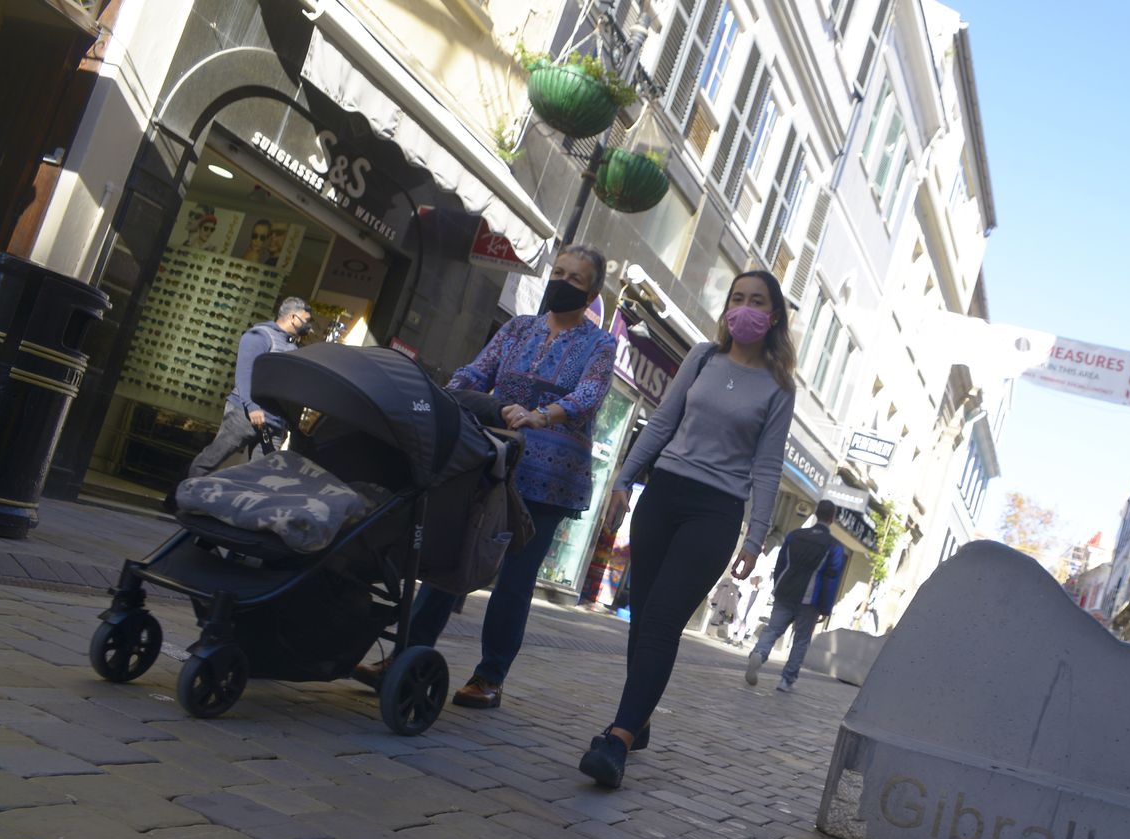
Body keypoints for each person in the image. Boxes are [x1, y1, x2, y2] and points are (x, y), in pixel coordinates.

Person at [352, 246, 617, 708]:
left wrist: (542, 415)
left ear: (592, 293)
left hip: (550, 479)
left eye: (575, 279)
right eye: (558, 272)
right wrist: (442, 394)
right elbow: (477, 371)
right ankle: (406, 654)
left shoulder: (600, 344)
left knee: (515, 579)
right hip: (492, 459)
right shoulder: (519, 328)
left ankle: (490, 676)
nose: (562, 282)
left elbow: (589, 395)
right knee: (450, 557)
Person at [580, 270, 797, 788]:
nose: (745, 308)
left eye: (757, 301)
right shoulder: (702, 357)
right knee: (642, 618)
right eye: (737, 298)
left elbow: (768, 468)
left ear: (773, 318)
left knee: (661, 621)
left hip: (716, 512)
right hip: (663, 495)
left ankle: (618, 739)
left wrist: (755, 537)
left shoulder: (778, 387)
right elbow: (662, 422)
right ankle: (638, 720)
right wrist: (623, 479)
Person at [188, 297, 312, 477]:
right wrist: (252, 407)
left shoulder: (293, 346)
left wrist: (290, 425)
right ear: (293, 317)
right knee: (211, 459)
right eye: (306, 321)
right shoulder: (260, 336)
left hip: (274, 423)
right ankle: (183, 491)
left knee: (263, 475)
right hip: (245, 415)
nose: (308, 327)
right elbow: (244, 373)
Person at [745, 500, 846, 692]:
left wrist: (778, 587)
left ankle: (759, 653)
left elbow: (781, 563)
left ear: (816, 513)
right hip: (810, 598)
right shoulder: (834, 546)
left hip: (785, 591)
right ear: (832, 518)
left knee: (772, 630)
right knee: (800, 640)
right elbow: (831, 577)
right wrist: (825, 607)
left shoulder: (795, 535)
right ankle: (786, 680)